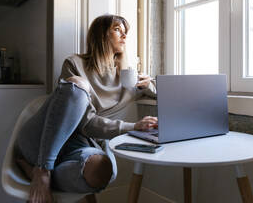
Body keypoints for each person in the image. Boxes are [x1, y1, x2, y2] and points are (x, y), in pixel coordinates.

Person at [14, 14, 157, 203]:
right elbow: (85, 121)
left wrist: (148, 84)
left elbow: (165, 93)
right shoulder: (74, 64)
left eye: (125, 33)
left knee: (101, 171)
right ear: (100, 34)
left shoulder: (127, 79)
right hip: (44, 138)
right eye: (117, 30)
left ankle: (32, 170)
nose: (124, 36)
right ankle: (42, 169)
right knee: (77, 84)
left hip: (83, 147)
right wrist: (132, 126)